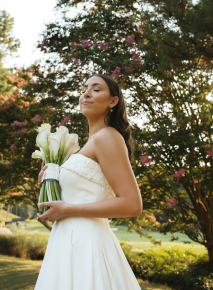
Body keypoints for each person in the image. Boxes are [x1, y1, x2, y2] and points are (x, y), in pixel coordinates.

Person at [34, 74, 142, 290]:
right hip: (66, 241)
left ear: (113, 101)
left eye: (96, 89)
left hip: (87, 244)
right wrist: (51, 181)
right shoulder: (88, 145)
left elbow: (132, 204)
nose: (86, 93)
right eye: (84, 89)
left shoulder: (108, 137)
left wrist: (68, 209)